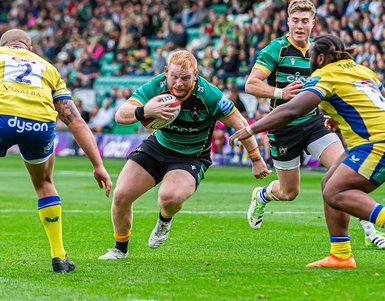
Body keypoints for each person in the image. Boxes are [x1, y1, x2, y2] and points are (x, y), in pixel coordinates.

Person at [230, 34, 385, 268]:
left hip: (381, 144)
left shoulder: (324, 75)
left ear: (319, 57)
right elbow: (384, 100)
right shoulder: (361, 70)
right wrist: (342, 119)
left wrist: (251, 129)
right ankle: (340, 254)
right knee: (329, 183)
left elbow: (294, 109)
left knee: (336, 191)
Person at [0, 29, 113, 274]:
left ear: (5, 45)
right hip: (40, 126)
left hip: (1, 121)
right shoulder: (48, 68)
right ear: (29, 48)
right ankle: (59, 256)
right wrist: (98, 165)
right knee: (44, 183)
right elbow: (75, 120)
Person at [244, 0, 385, 249]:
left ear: (313, 23)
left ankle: (370, 231)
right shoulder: (276, 49)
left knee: (345, 174)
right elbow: (251, 84)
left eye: (305, 21)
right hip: (284, 127)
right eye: (295, 21)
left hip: (314, 123)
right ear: (287, 22)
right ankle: (262, 195)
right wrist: (281, 93)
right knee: (289, 193)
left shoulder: (320, 52)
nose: (299, 26)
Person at [98, 50, 270, 260]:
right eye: (175, 77)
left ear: (195, 75)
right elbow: (121, 115)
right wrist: (144, 110)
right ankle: (120, 249)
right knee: (122, 194)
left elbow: (241, 124)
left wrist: (256, 159)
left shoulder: (209, 94)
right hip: (158, 146)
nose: (179, 83)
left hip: (192, 156)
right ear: (166, 72)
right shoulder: (156, 86)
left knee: (169, 199)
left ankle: (164, 220)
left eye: (186, 78)